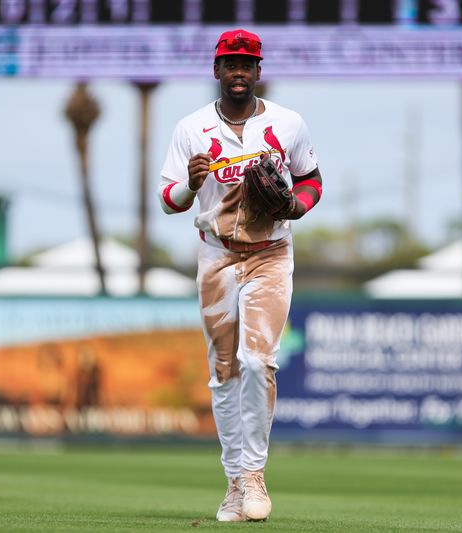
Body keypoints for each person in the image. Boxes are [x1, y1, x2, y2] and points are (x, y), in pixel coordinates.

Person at [157, 28, 323, 522]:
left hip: (270, 252)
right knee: (224, 372)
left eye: (247, 64)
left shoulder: (287, 123)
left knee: (258, 362)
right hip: (216, 255)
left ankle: (253, 474)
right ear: (216, 70)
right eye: (230, 63)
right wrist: (190, 184)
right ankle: (234, 483)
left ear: (257, 71)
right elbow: (167, 200)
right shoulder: (191, 128)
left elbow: (312, 180)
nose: (238, 72)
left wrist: (295, 204)